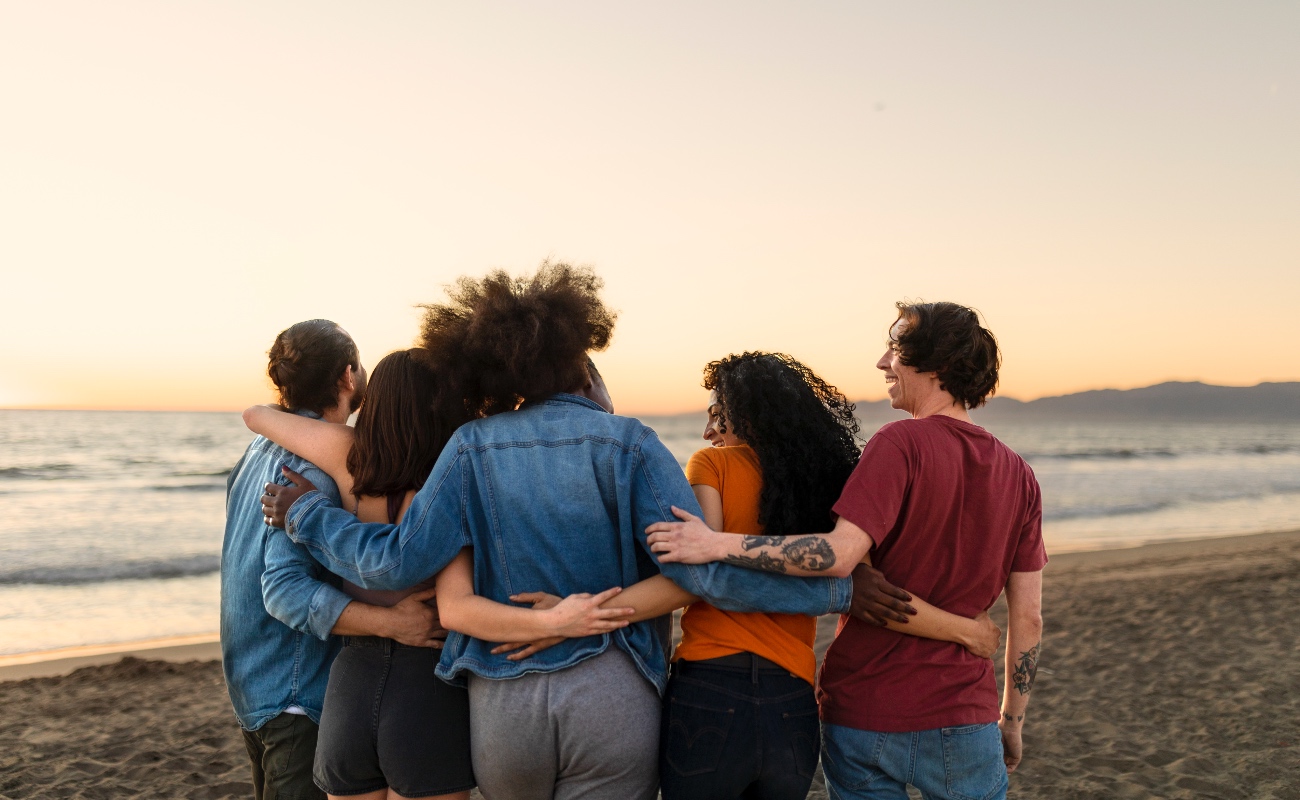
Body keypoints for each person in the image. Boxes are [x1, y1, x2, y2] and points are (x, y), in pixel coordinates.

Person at [261, 263, 856, 800]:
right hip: (612, 689)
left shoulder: (469, 447)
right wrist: (837, 593)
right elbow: (695, 576)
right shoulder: (633, 442)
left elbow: (400, 562)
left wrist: (309, 516)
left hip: (503, 698)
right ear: (580, 360)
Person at [648, 301, 1047, 800]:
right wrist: (1011, 719)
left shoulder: (899, 443)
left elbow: (838, 557)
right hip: (965, 713)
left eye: (896, 349)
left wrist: (714, 542)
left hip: (865, 709)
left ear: (936, 364)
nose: (883, 362)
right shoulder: (1020, 476)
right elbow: (1027, 619)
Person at [245, 347, 637, 800]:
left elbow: (255, 416)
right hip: (427, 685)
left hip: (350, 681)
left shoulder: (344, 455)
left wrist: (269, 408)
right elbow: (460, 596)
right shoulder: (449, 480)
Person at [222, 320, 448, 800]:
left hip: (249, 682)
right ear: (348, 377)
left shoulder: (255, 453)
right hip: (296, 693)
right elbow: (283, 591)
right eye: (361, 365)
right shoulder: (313, 467)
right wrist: (391, 623)